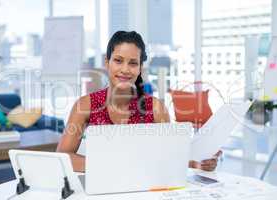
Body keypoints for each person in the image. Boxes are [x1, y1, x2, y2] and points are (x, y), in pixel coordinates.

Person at [56, 31, 221, 172]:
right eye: (118, 60)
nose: (125, 69)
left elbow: (169, 157)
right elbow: (62, 158)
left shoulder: (155, 108)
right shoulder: (85, 106)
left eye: (133, 63)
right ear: (107, 62)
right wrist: (113, 165)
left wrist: (198, 163)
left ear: (140, 68)